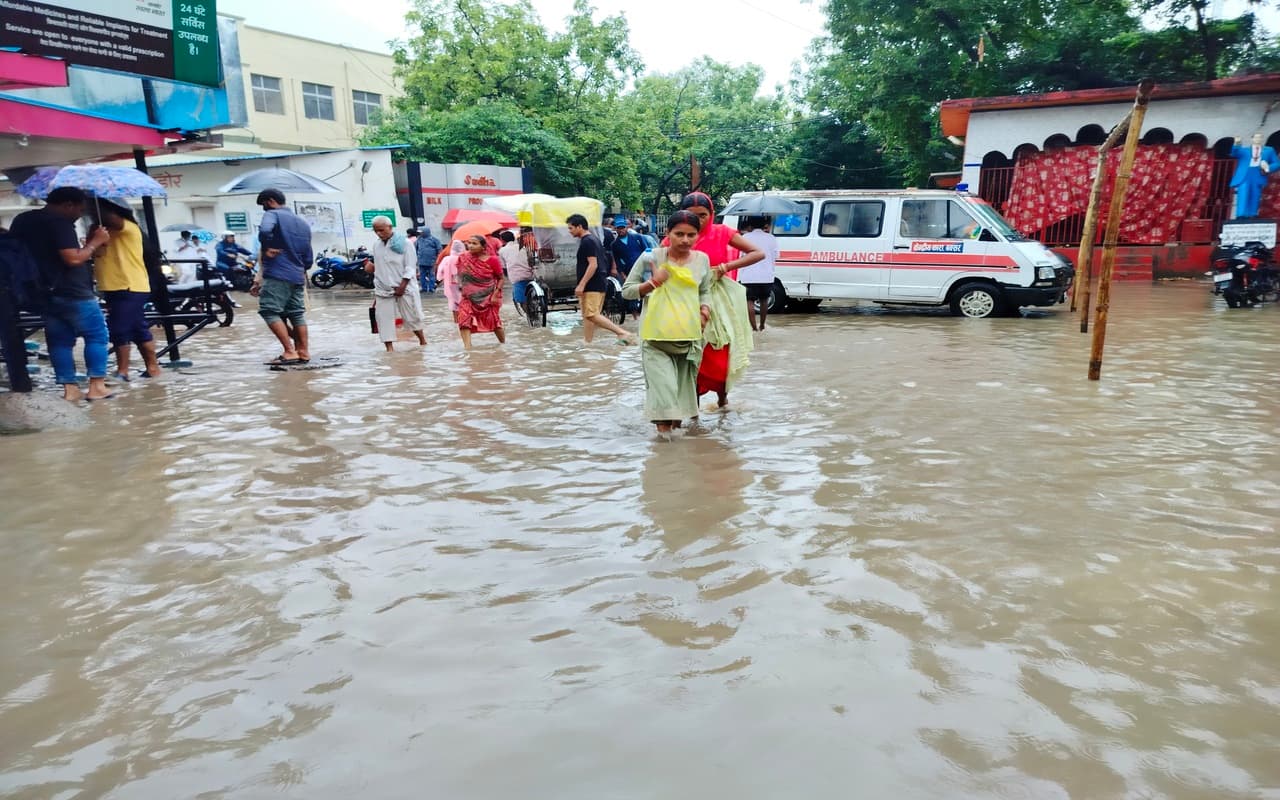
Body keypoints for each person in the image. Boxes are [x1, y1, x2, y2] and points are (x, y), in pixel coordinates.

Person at [8, 187, 112, 401]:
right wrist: (95, 242)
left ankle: (70, 389)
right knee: (96, 335)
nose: (79, 215)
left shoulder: (22, 220)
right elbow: (72, 259)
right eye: (79, 210)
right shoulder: (59, 223)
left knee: (60, 342)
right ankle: (97, 387)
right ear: (68, 205)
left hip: (40, 291)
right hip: (72, 290)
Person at [622, 209, 712, 437]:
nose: (685, 240)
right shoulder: (650, 257)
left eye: (691, 235)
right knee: (664, 398)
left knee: (679, 405)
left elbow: (705, 291)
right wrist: (652, 283)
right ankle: (663, 449)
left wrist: (705, 310)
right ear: (667, 232)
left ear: (698, 235)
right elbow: (627, 292)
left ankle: (675, 461)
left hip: (689, 339)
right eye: (679, 234)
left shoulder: (702, 260)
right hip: (656, 339)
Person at [668, 192, 762, 410]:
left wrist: (726, 267)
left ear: (710, 215)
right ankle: (693, 412)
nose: (698, 221)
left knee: (719, 356)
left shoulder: (722, 233)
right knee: (691, 359)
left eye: (703, 215)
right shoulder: (676, 236)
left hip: (718, 302)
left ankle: (722, 399)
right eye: (692, 215)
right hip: (686, 301)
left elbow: (757, 253)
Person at [92, 201, 162, 381]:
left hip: (130, 285)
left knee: (118, 329)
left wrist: (94, 203)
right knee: (139, 329)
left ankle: (123, 372)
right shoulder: (99, 230)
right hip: (112, 287)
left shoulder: (127, 227)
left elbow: (112, 219)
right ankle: (153, 368)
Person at [250, 188, 314, 365]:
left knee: (269, 310)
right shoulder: (302, 223)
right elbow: (308, 257)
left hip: (278, 272)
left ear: (270, 201)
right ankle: (303, 351)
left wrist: (268, 246)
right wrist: (300, 267)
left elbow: (264, 230)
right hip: (297, 275)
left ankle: (289, 351)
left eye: (264, 205)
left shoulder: (273, 215)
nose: (264, 209)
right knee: (296, 313)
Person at [568, 213, 632, 344]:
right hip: (598, 282)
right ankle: (588, 342)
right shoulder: (593, 239)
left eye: (571, 228)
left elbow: (593, 265)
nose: (570, 231)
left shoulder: (588, 241)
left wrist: (581, 284)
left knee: (591, 314)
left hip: (592, 284)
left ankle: (622, 333)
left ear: (579, 226)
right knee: (588, 316)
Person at [368, 216, 426, 352]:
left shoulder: (405, 243)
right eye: (376, 231)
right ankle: (389, 349)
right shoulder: (376, 245)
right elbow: (378, 265)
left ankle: (422, 341)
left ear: (390, 227)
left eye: (381, 230)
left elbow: (410, 266)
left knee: (412, 317)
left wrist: (403, 285)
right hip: (382, 287)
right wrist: (371, 267)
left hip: (404, 286)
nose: (378, 233)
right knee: (384, 319)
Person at [455, 234, 506, 349]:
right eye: (469, 243)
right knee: (464, 320)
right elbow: (460, 274)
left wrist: (495, 294)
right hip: (467, 297)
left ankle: (503, 345)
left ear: (483, 247)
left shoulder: (492, 260)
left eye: (474, 243)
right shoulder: (463, 258)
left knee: (495, 324)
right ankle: (468, 349)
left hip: (487, 298)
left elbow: (501, 278)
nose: (470, 246)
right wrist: (461, 284)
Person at [737, 216, 779, 331]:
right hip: (766, 276)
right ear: (764, 225)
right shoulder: (771, 238)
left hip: (748, 275)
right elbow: (776, 256)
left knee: (749, 301)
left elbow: (741, 255)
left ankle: (753, 327)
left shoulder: (745, 237)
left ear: (750, 225)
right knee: (764, 300)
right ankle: (762, 325)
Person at [1229, 133, 1280, 218]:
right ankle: (1241, 214)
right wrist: (1237, 144)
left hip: (1258, 172)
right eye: (1256, 137)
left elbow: (1277, 163)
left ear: (1262, 139)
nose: (1258, 139)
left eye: (1260, 137)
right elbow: (1235, 153)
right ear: (1252, 139)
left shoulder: (1269, 150)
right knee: (1243, 192)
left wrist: (1268, 167)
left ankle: (1252, 214)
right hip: (1245, 173)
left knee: (1255, 193)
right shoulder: (1244, 150)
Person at [500, 230, 532, 310]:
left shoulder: (502, 251)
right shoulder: (523, 247)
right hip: (531, 274)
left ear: (502, 240)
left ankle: (529, 314)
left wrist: (507, 276)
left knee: (522, 300)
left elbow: (503, 266)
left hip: (517, 277)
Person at [436, 239, 465, 321]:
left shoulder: (446, 259)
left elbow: (440, 271)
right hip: (463, 284)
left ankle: (456, 321)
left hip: (450, 285)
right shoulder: (464, 258)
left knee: (453, 303)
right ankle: (464, 322)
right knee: (464, 303)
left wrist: (439, 279)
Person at [414, 226, 442, 292]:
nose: (420, 234)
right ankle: (424, 288)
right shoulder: (418, 240)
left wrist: (437, 259)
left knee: (431, 275)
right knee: (422, 275)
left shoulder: (434, 240)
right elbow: (415, 249)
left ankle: (431, 288)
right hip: (421, 261)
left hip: (432, 261)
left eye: (421, 232)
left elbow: (439, 250)